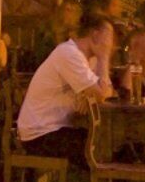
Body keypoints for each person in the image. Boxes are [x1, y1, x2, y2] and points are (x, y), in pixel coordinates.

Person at [14, 16, 113, 165]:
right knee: (100, 147)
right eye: (108, 38)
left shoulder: (89, 59)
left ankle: (95, 179)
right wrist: (104, 58)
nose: (110, 45)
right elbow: (101, 94)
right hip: (39, 134)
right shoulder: (69, 54)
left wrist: (91, 95)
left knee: (105, 141)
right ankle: (94, 180)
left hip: (58, 128)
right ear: (95, 35)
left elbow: (108, 92)